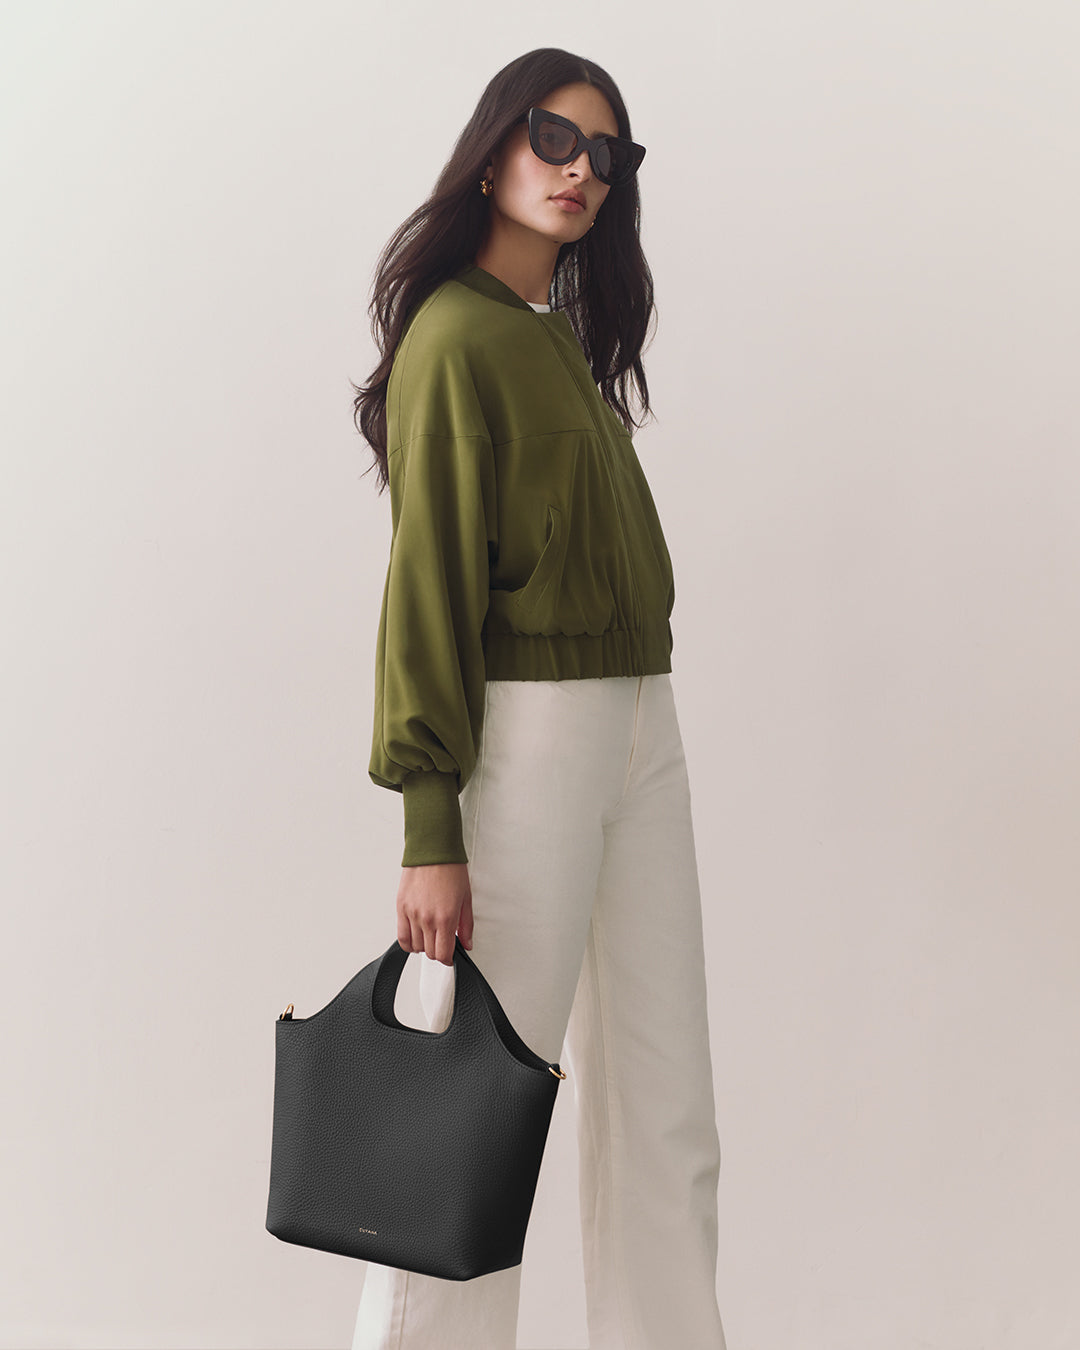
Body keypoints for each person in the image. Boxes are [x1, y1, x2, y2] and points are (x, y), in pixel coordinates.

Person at [349, 46, 728, 1350]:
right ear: (495, 146)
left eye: (605, 156)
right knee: (471, 1126)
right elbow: (427, 595)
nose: (580, 171)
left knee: (667, 1109)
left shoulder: (550, 339)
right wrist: (430, 826)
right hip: (529, 742)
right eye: (554, 139)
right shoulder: (456, 337)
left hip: (642, 726)